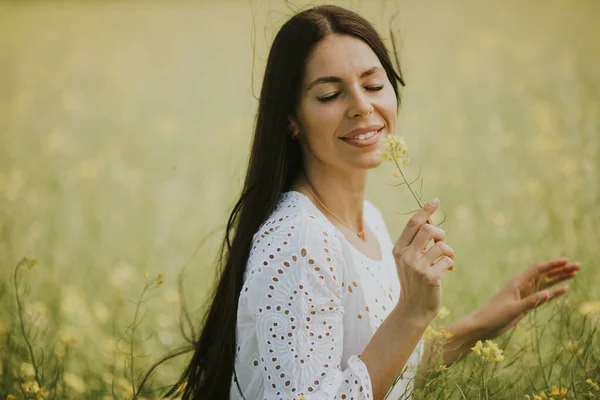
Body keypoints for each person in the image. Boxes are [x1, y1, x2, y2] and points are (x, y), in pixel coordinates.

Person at [168, 5, 583, 400]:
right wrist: (411, 313)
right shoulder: (300, 240)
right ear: (291, 119)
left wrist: (481, 323)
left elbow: (384, 373)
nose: (363, 107)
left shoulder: (371, 220)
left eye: (372, 85)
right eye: (330, 94)